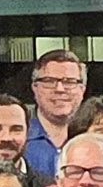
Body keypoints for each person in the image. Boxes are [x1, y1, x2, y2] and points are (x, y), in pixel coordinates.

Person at [25, 49, 88, 178]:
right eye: (49, 81)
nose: (59, 89)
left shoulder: (94, 141)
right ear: (35, 88)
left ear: (82, 90)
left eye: (69, 82)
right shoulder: (18, 140)